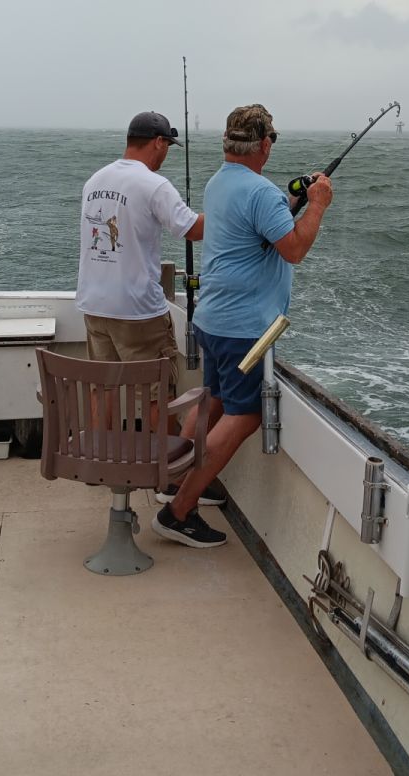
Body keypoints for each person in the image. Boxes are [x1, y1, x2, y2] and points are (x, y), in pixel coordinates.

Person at [152, 103, 332, 549]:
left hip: (212, 320)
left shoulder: (219, 182)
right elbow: (294, 249)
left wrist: (292, 202)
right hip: (244, 329)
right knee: (244, 415)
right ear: (265, 144)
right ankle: (177, 512)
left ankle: (171, 481)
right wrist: (317, 205)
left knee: (212, 400)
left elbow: (257, 225)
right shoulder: (261, 193)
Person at [75, 111, 205, 431]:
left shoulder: (95, 181)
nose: (166, 154)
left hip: (94, 305)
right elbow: (191, 229)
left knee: (102, 387)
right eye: (167, 146)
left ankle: (102, 456)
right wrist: (230, 214)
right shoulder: (154, 184)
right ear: (158, 142)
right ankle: (161, 459)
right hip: (138, 311)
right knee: (155, 392)